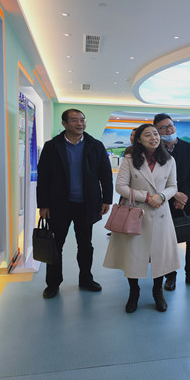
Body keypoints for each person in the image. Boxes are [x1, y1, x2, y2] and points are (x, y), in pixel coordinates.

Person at [103, 123, 181, 313]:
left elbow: (173, 186)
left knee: (160, 256)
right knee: (133, 255)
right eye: (148, 135)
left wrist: (161, 196)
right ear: (138, 139)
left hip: (161, 213)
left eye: (155, 134)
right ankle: (134, 292)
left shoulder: (169, 159)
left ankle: (157, 291)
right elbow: (120, 186)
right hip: (136, 213)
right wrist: (146, 197)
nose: (154, 137)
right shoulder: (130, 159)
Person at [37, 108, 113, 299]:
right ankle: (53, 284)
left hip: (86, 204)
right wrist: (43, 204)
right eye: (74, 120)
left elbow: (105, 174)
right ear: (64, 123)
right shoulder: (52, 146)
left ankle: (86, 279)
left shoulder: (95, 145)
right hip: (58, 204)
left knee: (85, 245)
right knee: (56, 246)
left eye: (82, 120)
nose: (80, 123)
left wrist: (107, 199)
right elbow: (43, 177)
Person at [153, 113, 190, 291]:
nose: (168, 130)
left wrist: (183, 195)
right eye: (163, 128)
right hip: (164, 202)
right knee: (167, 241)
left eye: (170, 126)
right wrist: (174, 195)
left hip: (188, 201)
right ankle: (170, 276)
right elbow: (154, 179)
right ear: (157, 131)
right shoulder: (154, 151)